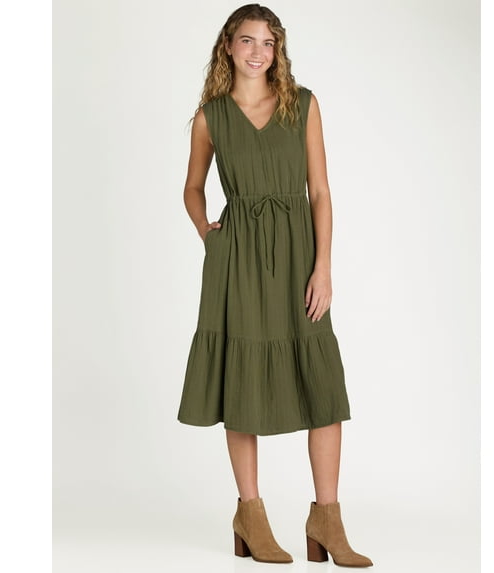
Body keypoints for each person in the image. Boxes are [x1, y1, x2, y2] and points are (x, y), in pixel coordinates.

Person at [177, 4, 373, 568]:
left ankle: (326, 519)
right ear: (228, 46)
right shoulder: (210, 117)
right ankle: (251, 513)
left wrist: (323, 266)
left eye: (268, 42)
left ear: (277, 50)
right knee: (242, 383)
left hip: (297, 257)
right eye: (247, 40)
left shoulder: (302, 104)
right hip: (237, 260)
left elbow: (321, 192)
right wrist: (207, 231)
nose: (257, 51)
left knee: (322, 386)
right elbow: (192, 187)